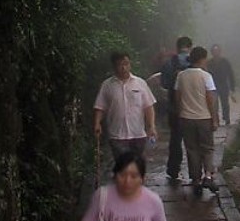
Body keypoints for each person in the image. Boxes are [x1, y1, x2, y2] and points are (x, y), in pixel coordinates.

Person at [93, 52, 157, 162]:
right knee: (123, 166)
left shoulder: (140, 83)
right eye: (119, 65)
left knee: (136, 167)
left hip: (138, 134)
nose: (123, 67)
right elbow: (100, 106)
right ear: (114, 66)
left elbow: (148, 106)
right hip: (117, 135)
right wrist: (97, 123)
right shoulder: (107, 85)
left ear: (130, 64)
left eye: (126, 63)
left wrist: (151, 126)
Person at [174, 45, 219, 197]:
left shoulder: (181, 76)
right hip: (204, 117)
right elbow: (210, 98)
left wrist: (181, 113)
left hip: (186, 118)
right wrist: (214, 118)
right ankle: (208, 176)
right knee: (207, 148)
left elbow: (177, 97)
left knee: (192, 149)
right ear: (202, 58)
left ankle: (196, 180)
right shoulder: (206, 76)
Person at [159, 36, 192, 183]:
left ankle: (173, 170)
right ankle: (195, 173)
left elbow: (165, 84)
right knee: (193, 142)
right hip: (193, 108)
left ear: (177, 47)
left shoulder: (169, 63)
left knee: (175, 139)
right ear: (190, 47)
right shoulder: (195, 62)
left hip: (174, 108)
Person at [209, 44, 237, 127]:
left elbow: (230, 74)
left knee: (225, 102)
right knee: (214, 104)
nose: (216, 53)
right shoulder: (209, 63)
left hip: (223, 84)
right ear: (212, 52)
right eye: (214, 51)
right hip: (214, 85)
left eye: (217, 51)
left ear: (220, 51)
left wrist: (232, 87)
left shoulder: (225, 61)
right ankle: (216, 120)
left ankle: (226, 118)